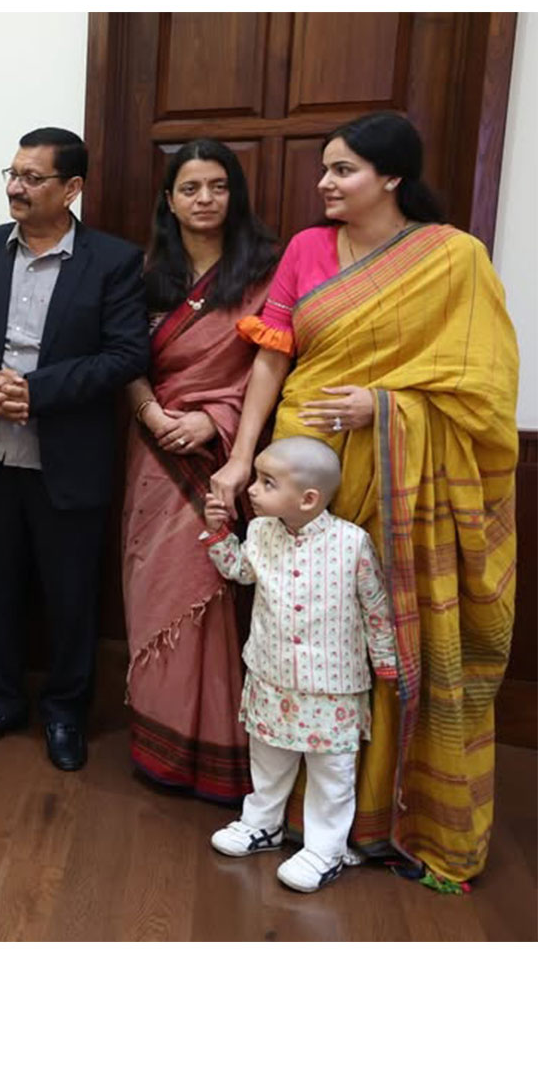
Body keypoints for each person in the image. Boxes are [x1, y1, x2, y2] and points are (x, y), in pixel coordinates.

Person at [210, 111, 518, 887]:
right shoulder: (308, 249)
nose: (324, 184)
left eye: (342, 170)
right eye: (324, 169)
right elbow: (271, 362)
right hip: (303, 465)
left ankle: (373, 818)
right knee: (299, 624)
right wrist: (243, 459)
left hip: (399, 473)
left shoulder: (454, 260)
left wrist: (384, 407)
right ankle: (284, 813)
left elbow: (482, 389)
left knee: (376, 636)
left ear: (392, 177)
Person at [0, 127, 149, 771]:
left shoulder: (112, 260)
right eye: (12, 173)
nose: (15, 187)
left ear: (72, 188)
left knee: (69, 595)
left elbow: (125, 355)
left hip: (67, 457)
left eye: (32, 178)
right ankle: (2, 700)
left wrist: (35, 390)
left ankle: (65, 712)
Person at [120, 140, 279, 802]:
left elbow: (274, 368)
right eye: (191, 188)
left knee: (216, 594)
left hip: (225, 459)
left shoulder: (267, 272)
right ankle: (157, 746)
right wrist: (154, 416)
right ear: (169, 199)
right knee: (154, 587)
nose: (206, 199)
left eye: (218, 186)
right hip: (152, 454)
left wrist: (213, 421)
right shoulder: (143, 271)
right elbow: (123, 358)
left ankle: (215, 753)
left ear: (233, 194)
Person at [201, 437, 398, 893]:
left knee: (332, 772)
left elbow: (375, 607)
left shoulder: (352, 544)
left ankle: (326, 848)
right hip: (271, 675)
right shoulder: (259, 532)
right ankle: (262, 825)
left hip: (333, 685)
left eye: (267, 483)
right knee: (268, 758)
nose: (251, 489)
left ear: (309, 498)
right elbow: (241, 571)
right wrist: (218, 535)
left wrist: (386, 661)